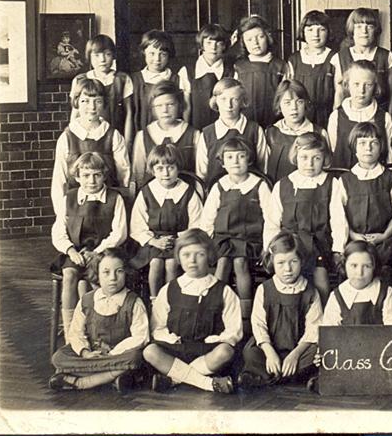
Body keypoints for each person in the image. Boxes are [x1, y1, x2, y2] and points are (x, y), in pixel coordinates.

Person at [143, 229, 241, 394]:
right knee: (149, 351)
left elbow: (234, 330)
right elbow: (157, 327)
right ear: (178, 258)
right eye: (186, 255)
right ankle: (208, 383)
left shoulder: (223, 290)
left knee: (226, 351)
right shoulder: (169, 289)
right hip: (176, 350)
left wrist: (215, 340)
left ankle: (174, 378)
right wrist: (170, 339)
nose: (192, 261)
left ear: (209, 256)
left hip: (207, 351)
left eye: (199, 254)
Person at [50, 152, 128, 340]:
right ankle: (70, 332)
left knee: (94, 280)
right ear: (77, 177)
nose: (91, 181)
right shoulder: (69, 198)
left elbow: (119, 232)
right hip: (77, 252)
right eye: (85, 175)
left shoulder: (114, 198)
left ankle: (96, 327)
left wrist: (97, 252)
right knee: (70, 274)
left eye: (96, 175)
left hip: (105, 252)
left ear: (104, 175)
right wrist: (70, 251)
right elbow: (58, 230)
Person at [49, 248, 149, 393]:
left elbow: (141, 337)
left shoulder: (133, 302)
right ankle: (114, 376)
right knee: (59, 357)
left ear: (126, 273)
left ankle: (81, 381)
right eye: (106, 272)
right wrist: (85, 353)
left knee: (135, 357)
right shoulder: (87, 300)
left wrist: (113, 354)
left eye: (119, 271)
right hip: (93, 354)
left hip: (117, 355)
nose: (113, 278)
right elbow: (76, 332)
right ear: (97, 274)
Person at [199, 137, 271, 325]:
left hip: (249, 239)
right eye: (230, 158)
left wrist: (268, 244)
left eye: (241, 157)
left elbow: (270, 217)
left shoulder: (259, 185)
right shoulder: (220, 186)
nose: (236, 162)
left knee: (240, 262)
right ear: (222, 163)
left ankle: (245, 313)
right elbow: (207, 218)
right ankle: (215, 307)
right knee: (222, 263)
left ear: (249, 159)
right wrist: (205, 243)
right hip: (223, 238)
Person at [237, 231, 323, 389]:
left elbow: (313, 330)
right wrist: (269, 352)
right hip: (271, 348)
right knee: (250, 352)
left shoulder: (310, 292)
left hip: (298, 348)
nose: (288, 269)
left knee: (316, 353)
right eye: (281, 263)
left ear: (301, 261)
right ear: (272, 263)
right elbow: (258, 324)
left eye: (293, 262)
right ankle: (292, 378)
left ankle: (266, 378)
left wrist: (295, 355)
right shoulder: (264, 289)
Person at [263, 132, 338, 305]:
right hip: (291, 243)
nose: (310, 164)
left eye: (316, 158)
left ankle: (324, 317)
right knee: (287, 273)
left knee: (321, 276)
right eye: (304, 157)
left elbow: (338, 220)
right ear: (296, 157)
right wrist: (271, 248)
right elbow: (272, 222)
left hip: (319, 243)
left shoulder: (331, 183)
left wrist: (338, 249)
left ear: (324, 159)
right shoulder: (283, 185)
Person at [130, 143, 203, 300]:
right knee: (155, 263)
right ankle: (155, 300)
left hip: (181, 241)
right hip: (153, 242)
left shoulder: (188, 191)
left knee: (171, 263)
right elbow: (137, 225)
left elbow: (197, 223)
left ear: (178, 168)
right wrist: (153, 241)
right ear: (152, 170)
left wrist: (180, 240)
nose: (166, 173)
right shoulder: (147, 192)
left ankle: (171, 299)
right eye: (160, 168)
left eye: (171, 167)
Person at [330, 122, 392, 275]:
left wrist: (383, 236)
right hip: (356, 239)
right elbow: (340, 217)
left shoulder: (391, 177)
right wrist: (354, 236)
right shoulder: (345, 180)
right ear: (354, 148)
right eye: (362, 143)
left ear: (381, 147)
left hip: (385, 239)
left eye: (374, 143)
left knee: (387, 269)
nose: (368, 148)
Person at [50, 77, 130, 216]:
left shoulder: (113, 136)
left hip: (108, 208)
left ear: (104, 103)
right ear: (76, 103)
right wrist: (62, 215)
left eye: (97, 101)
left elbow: (124, 177)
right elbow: (59, 181)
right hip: (76, 208)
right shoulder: (67, 138)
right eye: (85, 101)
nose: (92, 107)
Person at [195, 78, 268, 186]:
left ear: (242, 102)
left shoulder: (255, 130)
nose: (228, 105)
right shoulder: (207, 134)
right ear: (216, 101)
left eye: (234, 99)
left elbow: (264, 168)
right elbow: (201, 174)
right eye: (223, 99)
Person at [131, 80, 201, 189]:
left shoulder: (193, 135)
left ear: (180, 105)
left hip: (187, 197)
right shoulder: (143, 136)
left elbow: (200, 174)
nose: (165, 110)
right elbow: (138, 175)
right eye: (159, 106)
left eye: (170, 104)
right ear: (152, 108)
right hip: (153, 198)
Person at [327, 60, 392, 169]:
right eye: (356, 84)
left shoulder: (384, 118)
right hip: (343, 178)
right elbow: (334, 149)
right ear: (347, 85)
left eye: (368, 85)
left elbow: (388, 154)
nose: (361, 90)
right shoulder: (336, 117)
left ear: (375, 87)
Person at [70, 34, 135, 148]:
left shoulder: (122, 79)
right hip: (87, 137)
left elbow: (129, 113)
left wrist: (127, 142)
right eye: (96, 55)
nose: (102, 60)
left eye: (107, 54)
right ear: (89, 57)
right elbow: (75, 113)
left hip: (115, 137)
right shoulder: (80, 80)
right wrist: (73, 140)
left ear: (113, 56)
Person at [321, 241, 392, 326]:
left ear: (374, 267)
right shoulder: (337, 296)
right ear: (344, 265)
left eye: (366, 266)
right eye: (354, 265)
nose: (360, 273)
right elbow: (330, 334)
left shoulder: (384, 293)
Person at [265, 79, 330, 183]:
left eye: (299, 102)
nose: (294, 108)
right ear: (279, 105)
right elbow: (264, 167)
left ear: (305, 104)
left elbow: (326, 168)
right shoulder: (271, 132)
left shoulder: (319, 132)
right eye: (287, 103)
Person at [331, 7, 392, 112]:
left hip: (378, 113)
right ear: (352, 30)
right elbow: (339, 92)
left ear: (375, 30)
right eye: (359, 26)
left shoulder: (386, 56)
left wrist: (390, 115)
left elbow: (391, 92)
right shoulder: (340, 57)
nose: (364, 31)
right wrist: (336, 115)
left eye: (369, 27)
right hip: (349, 114)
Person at [233, 15, 289, 128]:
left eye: (260, 37)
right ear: (243, 42)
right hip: (245, 123)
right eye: (249, 39)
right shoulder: (238, 67)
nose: (255, 43)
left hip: (274, 122)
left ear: (268, 37)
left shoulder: (280, 66)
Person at [178, 23, 234, 130]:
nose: (213, 47)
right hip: (196, 129)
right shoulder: (187, 71)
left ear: (224, 46)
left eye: (218, 43)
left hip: (224, 129)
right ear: (201, 45)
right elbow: (186, 107)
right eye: (208, 43)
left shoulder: (231, 71)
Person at [287, 10, 336, 127]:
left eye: (321, 29)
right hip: (301, 117)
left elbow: (339, 92)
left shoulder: (335, 58)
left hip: (327, 116)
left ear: (328, 32)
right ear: (303, 32)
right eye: (310, 30)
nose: (316, 34)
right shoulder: (294, 59)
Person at [131, 29, 181, 131]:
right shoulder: (134, 80)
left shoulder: (176, 79)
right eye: (152, 53)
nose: (157, 59)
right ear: (144, 52)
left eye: (162, 54)